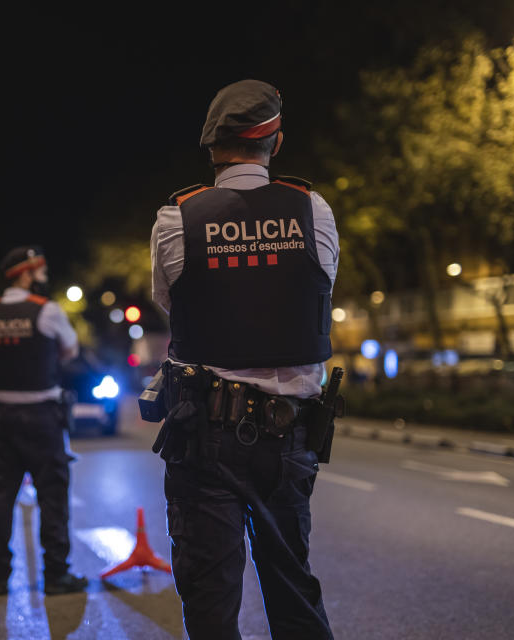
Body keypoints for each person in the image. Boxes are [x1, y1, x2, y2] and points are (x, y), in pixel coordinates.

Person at [150, 79, 340, 639]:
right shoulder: (314, 210)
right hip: (290, 439)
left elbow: (172, 307)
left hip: (205, 436)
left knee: (210, 604)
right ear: (275, 143)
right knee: (293, 592)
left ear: (212, 149)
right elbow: (318, 291)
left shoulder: (175, 219)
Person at [0, 246, 87, 596]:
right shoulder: (47, 310)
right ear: (26, 274)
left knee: (0, 496)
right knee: (52, 496)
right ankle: (56, 574)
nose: (43, 278)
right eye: (39, 271)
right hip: (41, 417)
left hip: (1, 416)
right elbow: (70, 350)